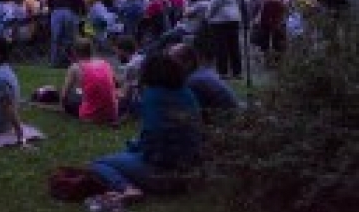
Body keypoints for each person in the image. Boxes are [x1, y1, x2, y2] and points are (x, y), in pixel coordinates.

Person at [88, 53, 203, 208]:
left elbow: (154, 139)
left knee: (98, 164)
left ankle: (129, 189)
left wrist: (137, 149)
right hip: (191, 170)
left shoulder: (153, 95)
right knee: (129, 153)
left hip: (164, 173)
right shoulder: (188, 93)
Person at [167, 43, 238, 123]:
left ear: (188, 63)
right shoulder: (203, 72)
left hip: (225, 124)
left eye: (173, 63)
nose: (169, 67)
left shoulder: (194, 82)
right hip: (230, 118)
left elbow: (194, 114)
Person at [61, 39, 118, 124]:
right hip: (112, 113)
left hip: (90, 115)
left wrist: (63, 105)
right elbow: (116, 83)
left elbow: (64, 96)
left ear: (75, 52)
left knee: (72, 95)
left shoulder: (75, 67)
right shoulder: (104, 63)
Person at [206, 0, 242, 79]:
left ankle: (223, 72)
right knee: (234, 46)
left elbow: (216, 1)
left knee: (221, 46)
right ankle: (237, 72)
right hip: (234, 17)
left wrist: (208, 14)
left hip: (220, 19)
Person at [47, 0, 85, 67]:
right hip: (69, 12)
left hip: (56, 13)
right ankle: (71, 61)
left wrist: (52, 10)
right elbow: (79, 0)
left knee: (56, 39)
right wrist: (83, 12)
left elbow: (49, 0)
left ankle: (54, 62)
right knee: (70, 38)